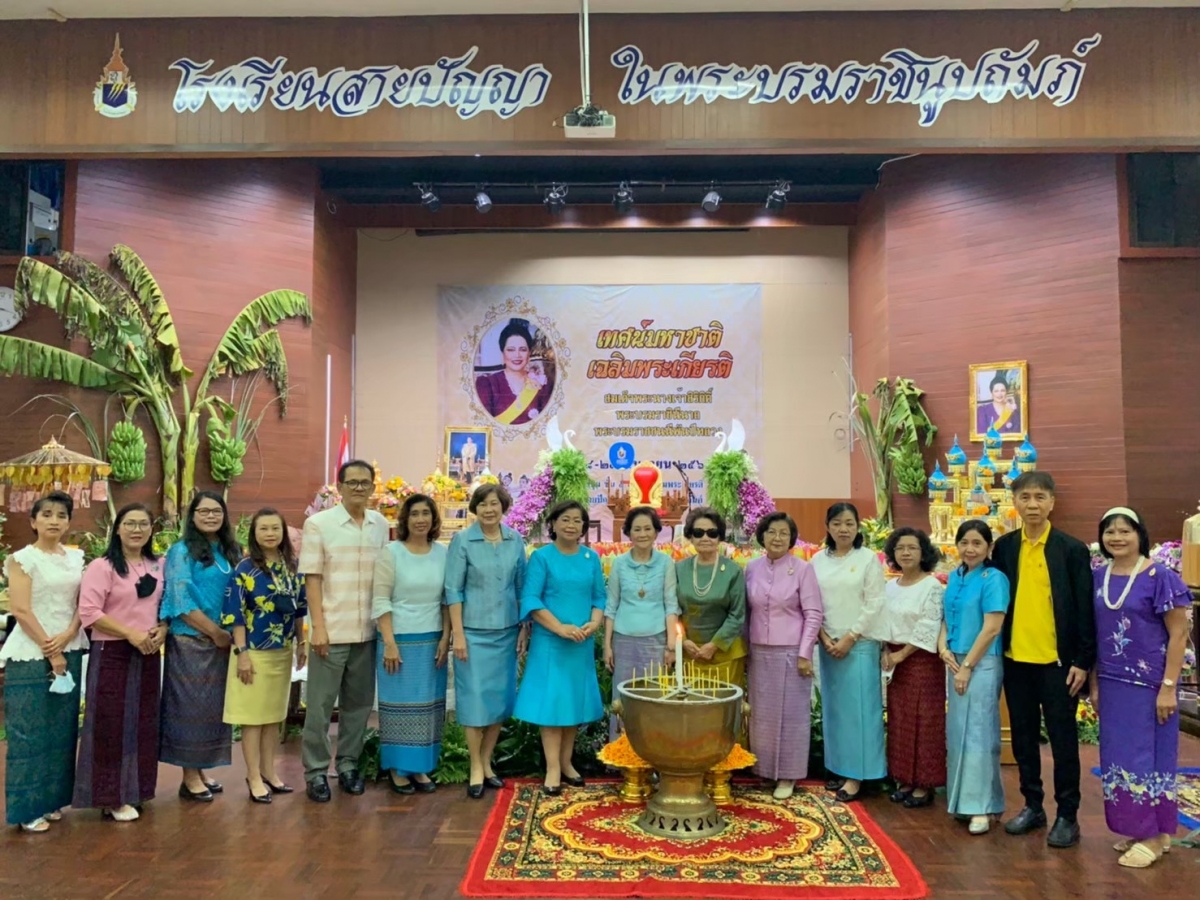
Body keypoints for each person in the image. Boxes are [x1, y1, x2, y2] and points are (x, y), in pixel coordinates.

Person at [991, 471, 1094, 848]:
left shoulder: (1071, 549)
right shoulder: (1005, 548)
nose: (1032, 505)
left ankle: (1068, 814)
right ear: (1014, 503)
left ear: (1052, 502)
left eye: (1039, 497)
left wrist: (1082, 660)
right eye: (1025, 497)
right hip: (1016, 661)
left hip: (1059, 666)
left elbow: (1084, 609)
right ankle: (1033, 806)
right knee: (1023, 739)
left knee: (1064, 742)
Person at [1089, 507, 1191, 869]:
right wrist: (1094, 683)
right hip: (1112, 683)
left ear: (1140, 535)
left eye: (1125, 531)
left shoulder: (1159, 576)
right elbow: (1094, 634)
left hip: (1150, 685)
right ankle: (1145, 830)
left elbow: (1179, 633)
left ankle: (1154, 834)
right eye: (1110, 531)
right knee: (1118, 759)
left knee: (1147, 757)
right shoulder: (1098, 577)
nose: (1117, 538)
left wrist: (1168, 687)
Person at [299, 459, 390, 802]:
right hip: (332, 631)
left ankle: (349, 764)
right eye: (352, 482)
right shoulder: (319, 524)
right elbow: (312, 578)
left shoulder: (380, 524)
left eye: (365, 482)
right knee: (320, 707)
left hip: (367, 632)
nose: (359, 488)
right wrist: (318, 627)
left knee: (359, 706)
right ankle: (316, 771)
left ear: (372, 487)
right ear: (339, 487)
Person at [74, 503, 167, 822]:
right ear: (117, 529)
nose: (137, 529)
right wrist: (130, 634)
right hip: (112, 651)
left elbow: (166, 605)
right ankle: (110, 797)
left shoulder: (158, 565)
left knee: (143, 722)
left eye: (143, 523)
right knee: (110, 723)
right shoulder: (102, 567)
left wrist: (163, 629)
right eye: (130, 523)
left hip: (148, 651)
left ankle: (137, 790)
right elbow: (89, 612)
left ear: (151, 530)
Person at [1, 491, 87, 833]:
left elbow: (83, 603)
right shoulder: (22, 559)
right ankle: (26, 809)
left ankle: (51, 800)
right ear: (33, 521)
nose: (54, 520)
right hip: (31, 652)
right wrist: (52, 651)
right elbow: (21, 610)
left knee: (62, 730)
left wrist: (70, 633)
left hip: (71, 646)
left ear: (68, 523)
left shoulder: (76, 558)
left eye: (61, 515)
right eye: (47, 514)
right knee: (29, 732)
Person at [514, 500, 606, 794]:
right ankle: (552, 767)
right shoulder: (542, 557)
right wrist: (559, 628)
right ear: (553, 524)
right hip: (551, 643)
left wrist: (594, 623)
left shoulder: (591, 558)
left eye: (577, 520)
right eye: (565, 519)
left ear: (584, 526)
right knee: (553, 704)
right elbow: (531, 599)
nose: (571, 525)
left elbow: (599, 598)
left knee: (572, 702)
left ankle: (567, 763)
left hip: (580, 642)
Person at [444, 482, 527, 799]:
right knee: (474, 700)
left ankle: (488, 762)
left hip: (507, 631)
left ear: (503, 506)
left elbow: (521, 588)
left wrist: (524, 627)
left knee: (499, 700)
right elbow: (453, 590)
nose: (489, 509)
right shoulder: (463, 540)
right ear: (475, 509)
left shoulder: (515, 540)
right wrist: (458, 635)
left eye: (494, 503)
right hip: (472, 634)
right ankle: (475, 767)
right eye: (483, 504)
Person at [222, 508, 308, 803]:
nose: (270, 534)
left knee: (273, 717)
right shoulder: (245, 569)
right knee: (253, 718)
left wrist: (302, 642)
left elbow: (299, 608)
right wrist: (242, 653)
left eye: (275, 528)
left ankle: (269, 772)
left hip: (281, 651)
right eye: (264, 529)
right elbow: (235, 615)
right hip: (253, 652)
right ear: (254, 534)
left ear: (283, 533)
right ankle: (253, 776)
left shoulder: (292, 566)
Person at [160, 491, 239, 801]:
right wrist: (214, 632)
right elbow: (179, 600)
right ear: (191, 516)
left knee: (212, 711)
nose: (210, 516)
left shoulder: (228, 551)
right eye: (203, 511)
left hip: (222, 642)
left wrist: (227, 634)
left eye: (216, 511)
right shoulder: (180, 551)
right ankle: (189, 776)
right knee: (190, 709)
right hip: (191, 641)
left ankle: (202, 769)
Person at [373, 493, 450, 795]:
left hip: (432, 640)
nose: (421, 519)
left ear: (433, 519)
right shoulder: (391, 552)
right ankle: (397, 768)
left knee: (428, 707)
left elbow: (447, 599)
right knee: (400, 707)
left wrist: (445, 637)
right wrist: (389, 642)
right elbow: (381, 599)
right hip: (399, 640)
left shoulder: (442, 553)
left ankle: (420, 767)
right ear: (405, 519)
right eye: (415, 514)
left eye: (426, 513)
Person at [744, 512, 823, 800]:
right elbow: (746, 612)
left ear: (791, 539)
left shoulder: (802, 569)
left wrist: (805, 653)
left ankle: (789, 775)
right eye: (771, 532)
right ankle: (765, 771)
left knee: (791, 716)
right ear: (762, 536)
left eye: (783, 533)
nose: (777, 538)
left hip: (791, 652)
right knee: (762, 716)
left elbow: (813, 614)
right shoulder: (751, 568)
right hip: (758, 652)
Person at [811, 502, 887, 803]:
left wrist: (850, 637)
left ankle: (857, 775)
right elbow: (812, 602)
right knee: (835, 711)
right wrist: (824, 636)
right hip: (828, 644)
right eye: (837, 523)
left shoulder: (868, 559)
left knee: (860, 712)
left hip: (859, 644)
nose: (843, 529)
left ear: (858, 527)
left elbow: (874, 603)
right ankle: (839, 767)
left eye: (849, 523)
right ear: (828, 527)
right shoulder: (817, 560)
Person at [939, 519, 1009, 834]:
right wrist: (943, 647)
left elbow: (992, 627)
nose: (970, 549)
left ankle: (982, 806)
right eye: (964, 542)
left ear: (989, 547)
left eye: (977, 543)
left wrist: (967, 666)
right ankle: (961, 802)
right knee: (958, 733)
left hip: (981, 663)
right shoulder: (955, 576)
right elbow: (945, 616)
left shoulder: (994, 579)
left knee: (979, 733)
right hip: (954, 661)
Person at [881, 527, 946, 809]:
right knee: (900, 721)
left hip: (922, 662)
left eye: (912, 548)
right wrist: (887, 650)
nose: (905, 553)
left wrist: (902, 654)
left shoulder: (931, 586)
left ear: (923, 553)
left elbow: (928, 626)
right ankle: (904, 778)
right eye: (900, 548)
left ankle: (924, 783)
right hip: (894, 661)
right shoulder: (890, 586)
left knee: (925, 721)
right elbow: (882, 621)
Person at [603, 505, 679, 740]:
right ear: (628, 533)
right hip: (624, 641)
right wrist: (607, 645)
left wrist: (671, 646)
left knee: (653, 699)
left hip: (656, 641)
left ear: (656, 532)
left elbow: (671, 605)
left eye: (648, 528)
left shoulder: (666, 563)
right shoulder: (619, 563)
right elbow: (611, 606)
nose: (643, 534)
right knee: (623, 699)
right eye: (637, 529)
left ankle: (652, 752)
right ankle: (620, 752)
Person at [676, 507, 747, 693]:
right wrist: (682, 640)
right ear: (690, 537)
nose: (705, 538)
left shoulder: (733, 571)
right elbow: (672, 609)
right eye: (698, 533)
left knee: (724, 708)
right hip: (689, 654)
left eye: (712, 533)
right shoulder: (679, 569)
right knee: (690, 706)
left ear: (720, 537)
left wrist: (714, 645)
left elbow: (737, 614)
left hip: (725, 654)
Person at [475, 319, 552, 425]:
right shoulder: (487, 384)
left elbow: (547, 424)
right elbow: (484, 425)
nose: (517, 355)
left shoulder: (542, 385)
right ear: (503, 353)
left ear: (529, 353)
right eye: (511, 350)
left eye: (523, 350)